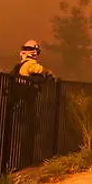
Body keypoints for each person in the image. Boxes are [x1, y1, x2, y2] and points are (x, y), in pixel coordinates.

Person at [11, 40, 53, 168]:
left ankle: (24, 160)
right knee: (29, 130)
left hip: (21, 101)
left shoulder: (20, 65)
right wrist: (48, 73)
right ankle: (26, 161)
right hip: (27, 102)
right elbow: (42, 71)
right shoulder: (30, 64)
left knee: (26, 130)